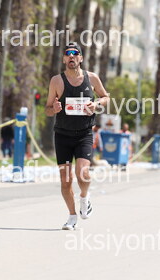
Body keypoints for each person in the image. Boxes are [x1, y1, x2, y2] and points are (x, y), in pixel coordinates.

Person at [45, 43, 109, 230]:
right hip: (62, 135)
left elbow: (106, 97)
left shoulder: (92, 78)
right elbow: (47, 109)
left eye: (75, 53)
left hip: (84, 134)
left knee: (83, 173)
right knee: (66, 181)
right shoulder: (56, 81)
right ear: (64, 59)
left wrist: (96, 105)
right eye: (68, 54)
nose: (71, 56)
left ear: (80, 58)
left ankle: (84, 197)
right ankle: (72, 216)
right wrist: (54, 108)